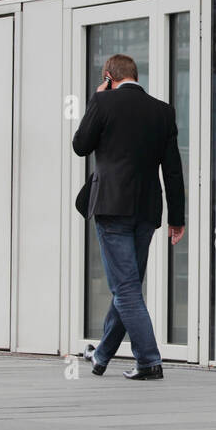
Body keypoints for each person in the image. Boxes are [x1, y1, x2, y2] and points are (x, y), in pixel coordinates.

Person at [73, 53, 185, 380]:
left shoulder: (104, 103)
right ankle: (103, 354)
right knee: (129, 285)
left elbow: (81, 145)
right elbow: (174, 171)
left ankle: (149, 360)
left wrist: (97, 98)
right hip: (147, 210)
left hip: (111, 207)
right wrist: (177, 218)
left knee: (125, 289)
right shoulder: (162, 112)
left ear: (109, 76)